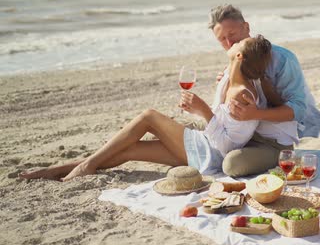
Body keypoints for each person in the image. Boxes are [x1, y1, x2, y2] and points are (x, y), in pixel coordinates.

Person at [19, 35, 273, 181]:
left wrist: (203, 111)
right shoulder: (232, 79)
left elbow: (228, 148)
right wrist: (201, 107)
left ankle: (87, 166)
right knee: (130, 149)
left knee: (148, 116)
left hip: (209, 154)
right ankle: (55, 171)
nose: (234, 42)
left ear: (239, 56)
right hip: (202, 146)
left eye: (239, 43)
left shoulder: (242, 96)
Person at [207, 4, 320, 177]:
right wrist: (225, 83)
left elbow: (298, 110)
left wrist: (255, 114)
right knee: (193, 139)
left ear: (246, 27)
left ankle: (281, 159)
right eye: (222, 39)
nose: (229, 43)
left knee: (231, 164)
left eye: (232, 34)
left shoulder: (282, 59)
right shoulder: (234, 62)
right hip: (241, 136)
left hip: (272, 142)